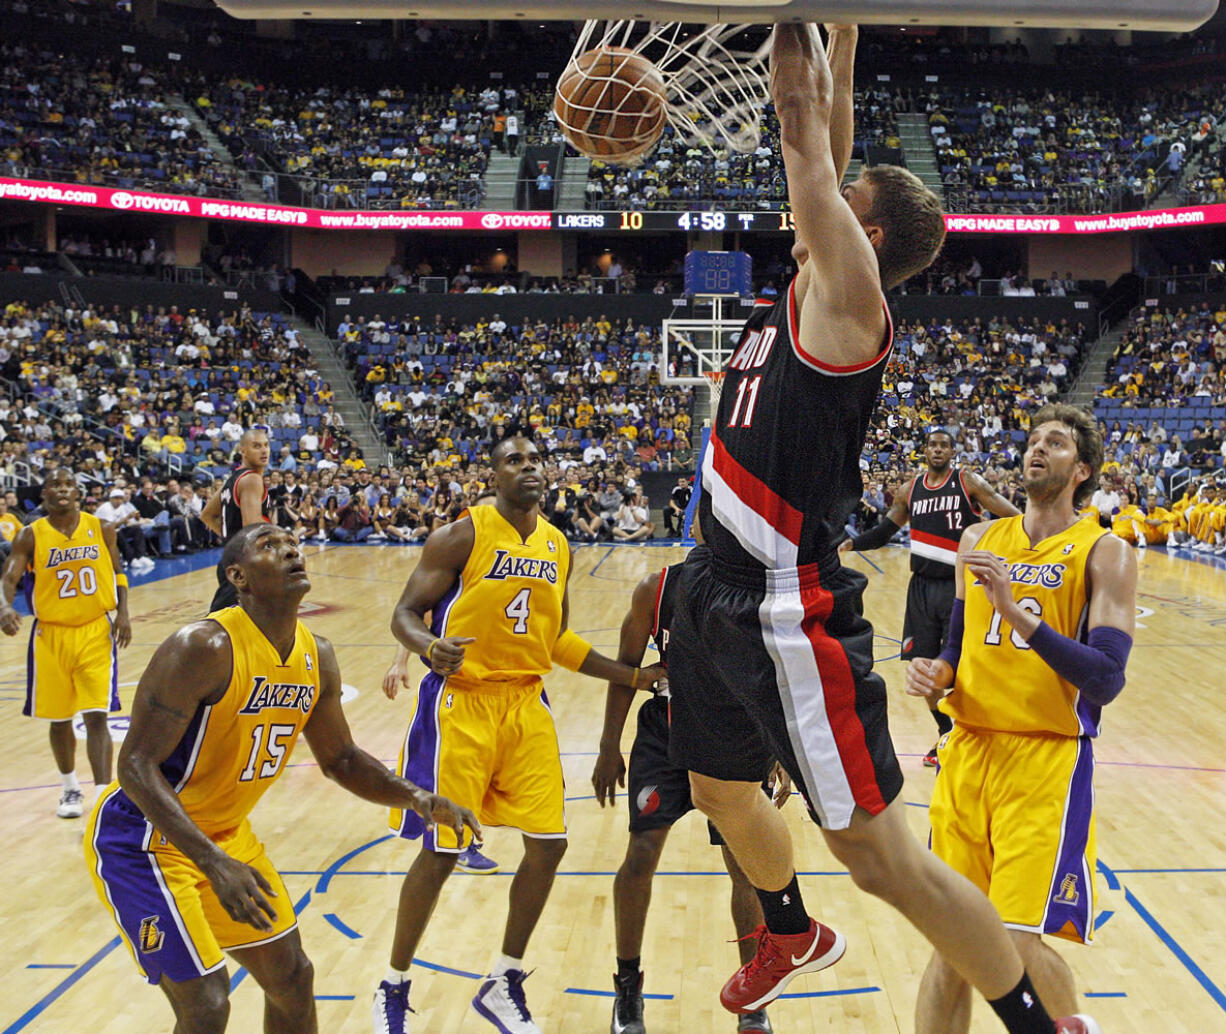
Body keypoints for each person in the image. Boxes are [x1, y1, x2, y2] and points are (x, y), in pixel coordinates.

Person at [666, 23, 1099, 1034]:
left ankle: (1035, 1019)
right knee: (718, 784)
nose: (816, 198)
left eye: (840, 204)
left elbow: (803, 136)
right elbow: (831, 140)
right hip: (710, 582)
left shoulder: (846, 299)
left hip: (784, 600)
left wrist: (790, 23)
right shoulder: (817, 275)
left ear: (861, 237)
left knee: (880, 857)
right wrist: (846, 32)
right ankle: (784, 927)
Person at [84, 523, 479, 1034]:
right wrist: (213, 862)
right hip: (143, 843)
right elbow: (134, 766)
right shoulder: (203, 645)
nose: (290, 548)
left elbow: (341, 760)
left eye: (292, 542)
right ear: (238, 576)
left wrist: (419, 798)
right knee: (206, 1004)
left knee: (292, 978)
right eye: (269, 546)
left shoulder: (319, 655)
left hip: (226, 838)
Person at [373, 435, 664, 1034]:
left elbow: (554, 640)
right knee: (443, 849)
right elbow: (403, 614)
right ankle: (393, 984)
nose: (529, 468)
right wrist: (428, 646)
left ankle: (503, 980)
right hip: (462, 705)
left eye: (536, 460)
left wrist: (633, 676)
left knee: (549, 842)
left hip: (527, 704)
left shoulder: (559, 545)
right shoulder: (461, 535)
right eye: (515, 460)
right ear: (494, 473)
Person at [906, 405, 1136, 1033]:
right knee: (954, 944)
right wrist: (940, 673)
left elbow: (1106, 678)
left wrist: (1018, 612)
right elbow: (958, 644)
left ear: (1081, 469)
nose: (1037, 449)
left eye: (1055, 444)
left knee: (1013, 938)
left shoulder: (1105, 551)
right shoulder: (979, 541)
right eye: (1033, 440)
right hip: (967, 752)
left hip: (1046, 761)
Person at [593, 554, 790, 1034]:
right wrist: (607, 745)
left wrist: (780, 746)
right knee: (641, 853)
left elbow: (776, 673)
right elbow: (625, 667)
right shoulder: (655, 590)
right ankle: (627, 989)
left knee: (746, 868)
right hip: (665, 729)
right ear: (695, 524)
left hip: (734, 732)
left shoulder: (756, 589)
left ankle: (753, 999)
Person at [839, 429, 1020, 765]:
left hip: (960, 588)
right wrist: (854, 543)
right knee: (923, 668)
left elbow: (1013, 516)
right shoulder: (911, 490)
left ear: (952, 450)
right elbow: (884, 531)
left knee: (965, 667)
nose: (938, 449)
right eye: (932, 445)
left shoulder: (968, 482)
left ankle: (974, 733)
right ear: (925, 451)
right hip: (921, 587)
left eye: (944, 445)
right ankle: (945, 734)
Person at [0, 468, 131, 817]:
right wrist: (3, 606)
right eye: (55, 485)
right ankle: (70, 788)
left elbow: (118, 573)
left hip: (95, 631)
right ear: (44, 495)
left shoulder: (101, 528)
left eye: (68, 484)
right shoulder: (30, 535)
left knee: (96, 716)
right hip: (51, 634)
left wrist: (124, 614)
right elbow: (9, 577)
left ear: (78, 493)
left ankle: (103, 795)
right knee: (59, 719)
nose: (62, 489)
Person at [201, 428, 270, 611]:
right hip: (244, 565)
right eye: (256, 446)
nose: (264, 451)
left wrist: (230, 540)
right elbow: (253, 529)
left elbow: (207, 515)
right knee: (217, 625)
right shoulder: (252, 480)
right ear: (243, 451)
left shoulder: (232, 479)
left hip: (230, 560)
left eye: (266, 445)